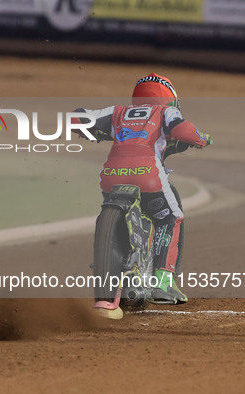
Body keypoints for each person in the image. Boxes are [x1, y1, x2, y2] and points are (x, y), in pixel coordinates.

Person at [75, 73, 212, 306]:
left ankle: (113, 267)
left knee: (113, 206)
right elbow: (184, 132)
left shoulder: (117, 112)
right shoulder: (165, 112)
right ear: (171, 99)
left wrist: (94, 133)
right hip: (148, 178)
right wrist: (202, 139)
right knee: (170, 217)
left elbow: (76, 120)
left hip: (110, 178)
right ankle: (163, 282)